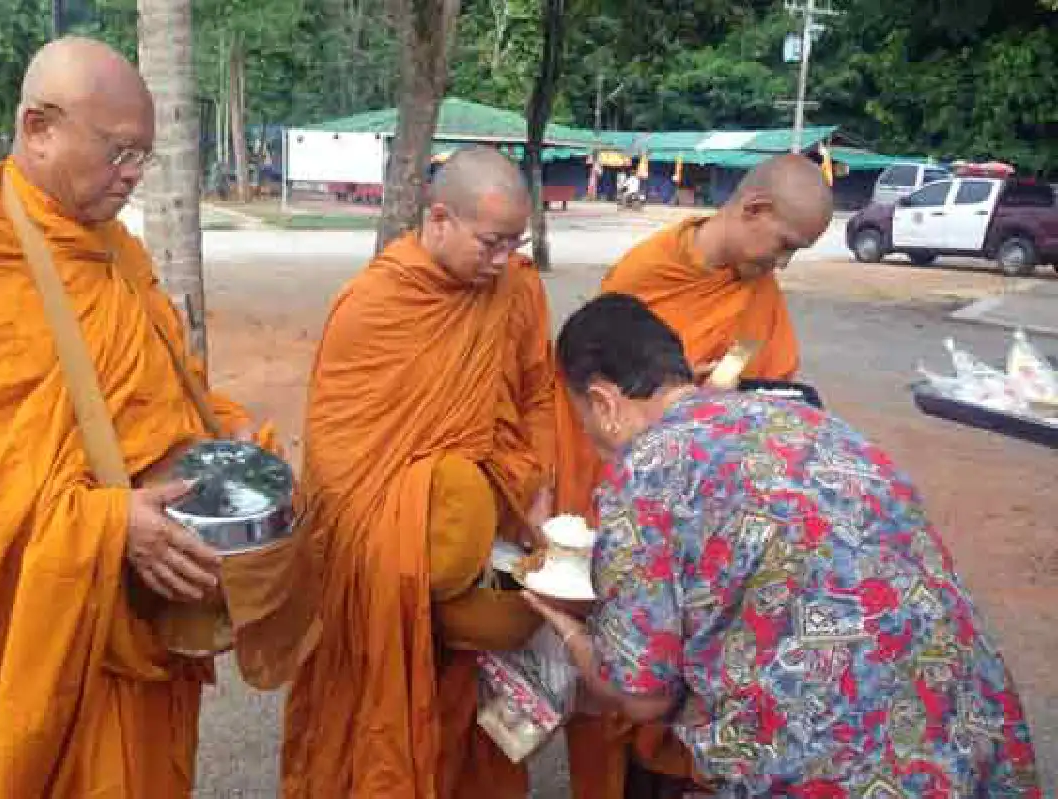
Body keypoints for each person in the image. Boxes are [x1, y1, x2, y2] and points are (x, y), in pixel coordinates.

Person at [0, 37, 276, 797]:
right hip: (38, 621)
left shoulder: (114, 247)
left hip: (139, 614)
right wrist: (106, 525)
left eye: (143, 156)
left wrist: (221, 439)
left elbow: (160, 382)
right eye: (118, 151)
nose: (132, 174)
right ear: (38, 128)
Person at [531, 293, 1041, 797]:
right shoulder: (813, 422)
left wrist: (570, 632)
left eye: (584, 422)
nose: (592, 441)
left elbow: (642, 696)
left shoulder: (645, 469)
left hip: (843, 766)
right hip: (975, 727)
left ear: (604, 403)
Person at [281, 146, 555, 799]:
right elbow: (339, 457)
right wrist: (403, 538)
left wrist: (536, 489)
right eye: (490, 243)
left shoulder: (518, 287)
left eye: (515, 243)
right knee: (370, 698)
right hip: (385, 556)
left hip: (485, 536)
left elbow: (536, 393)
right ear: (438, 219)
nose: (503, 259)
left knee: (464, 705)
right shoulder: (375, 303)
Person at [558, 154, 835, 799]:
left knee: (703, 666)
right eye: (784, 245)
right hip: (641, 492)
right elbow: (602, 398)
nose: (782, 265)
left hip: (721, 514)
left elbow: (777, 394)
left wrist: (722, 403)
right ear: (754, 209)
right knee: (638, 669)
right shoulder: (645, 275)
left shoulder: (758, 293)